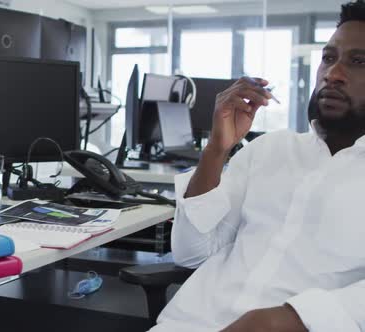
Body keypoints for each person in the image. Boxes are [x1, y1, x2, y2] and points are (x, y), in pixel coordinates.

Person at [150, 1, 365, 331]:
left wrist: (287, 319)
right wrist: (216, 150)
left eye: (358, 61)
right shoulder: (271, 149)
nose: (333, 74)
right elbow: (191, 253)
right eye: (328, 58)